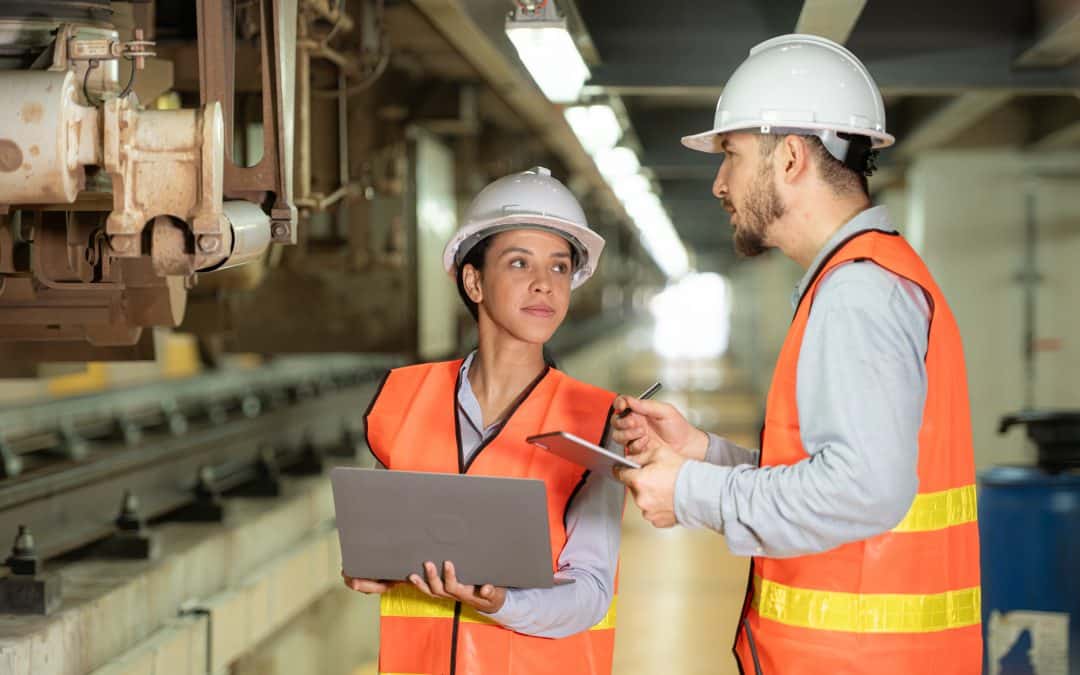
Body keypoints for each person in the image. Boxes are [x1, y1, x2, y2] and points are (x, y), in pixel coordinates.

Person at [611, 34, 982, 674]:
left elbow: (862, 490)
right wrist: (706, 454)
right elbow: (840, 467)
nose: (720, 184)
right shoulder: (861, 278)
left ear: (788, 159)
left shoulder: (857, 291)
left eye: (730, 154)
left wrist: (693, 492)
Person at [343, 167, 623, 675]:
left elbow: (592, 591)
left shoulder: (597, 421)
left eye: (560, 268)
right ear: (474, 281)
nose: (544, 284)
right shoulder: (405, 399)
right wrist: (378, 568)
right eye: (520, 263)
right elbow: (406, 543)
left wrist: (501, 602)